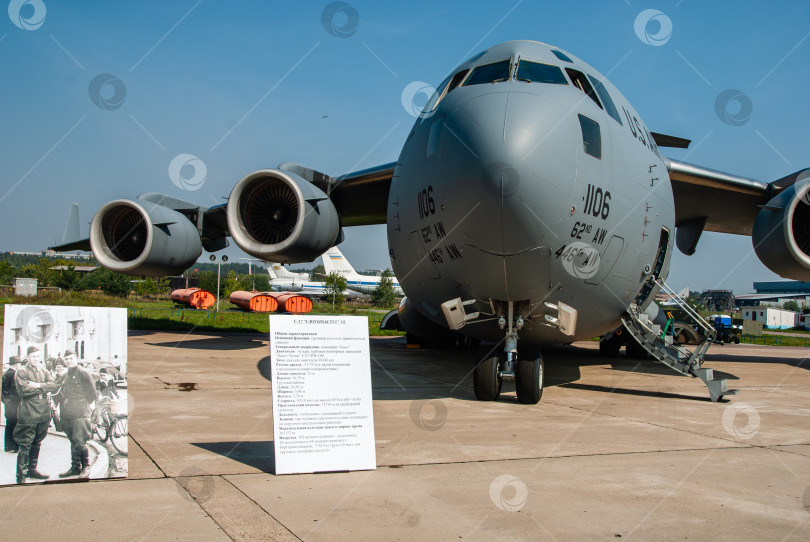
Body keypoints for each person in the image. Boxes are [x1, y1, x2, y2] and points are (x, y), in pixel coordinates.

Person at [14, 346, 59, 483]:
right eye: (34, 356)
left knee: (37, 442)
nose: (36, 359)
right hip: (29, 411)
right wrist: (43, 387)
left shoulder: (43, 371)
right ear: (27, 357)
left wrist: (38, 386)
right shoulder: (21, 372)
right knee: (25, 444)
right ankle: (20, 476)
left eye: (39, 356)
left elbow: (54, 385)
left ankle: (32, 470)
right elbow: (24, 391)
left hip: (43, 411)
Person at [55, 349, 98, 479]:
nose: (68, 361)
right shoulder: (65, 375)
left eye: (71, 359)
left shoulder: (83, 374)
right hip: (67, 412)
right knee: (73, 440)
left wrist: (82, 405)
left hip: (80, 412)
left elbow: (92, 394)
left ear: (76, 359)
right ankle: (75, 467)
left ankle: (86, 467)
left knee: (80, 441)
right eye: (66, 359)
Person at [2, 356, 23, 453]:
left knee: (9, 424)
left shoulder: (5, 374)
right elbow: (16, 391)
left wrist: (5, 401)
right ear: (16, 364)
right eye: (19, 363)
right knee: (15, 424)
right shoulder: (14, 374)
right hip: (14, 403)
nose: (20, 365)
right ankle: (15, 446)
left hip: (8, 403)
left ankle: (8, 446)